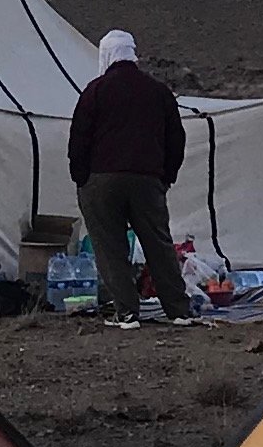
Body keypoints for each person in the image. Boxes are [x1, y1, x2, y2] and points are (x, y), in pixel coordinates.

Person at [66, 28, 192, 329]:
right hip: (147, 179)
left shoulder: (95, 91)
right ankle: (178, 310)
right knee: (158, 243)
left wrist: (81, 178)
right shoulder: (158, 91)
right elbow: (176, 139)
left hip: (102, 179)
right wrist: (165, 177)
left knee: (110, 246)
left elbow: (78, 139)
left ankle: (127, 312)